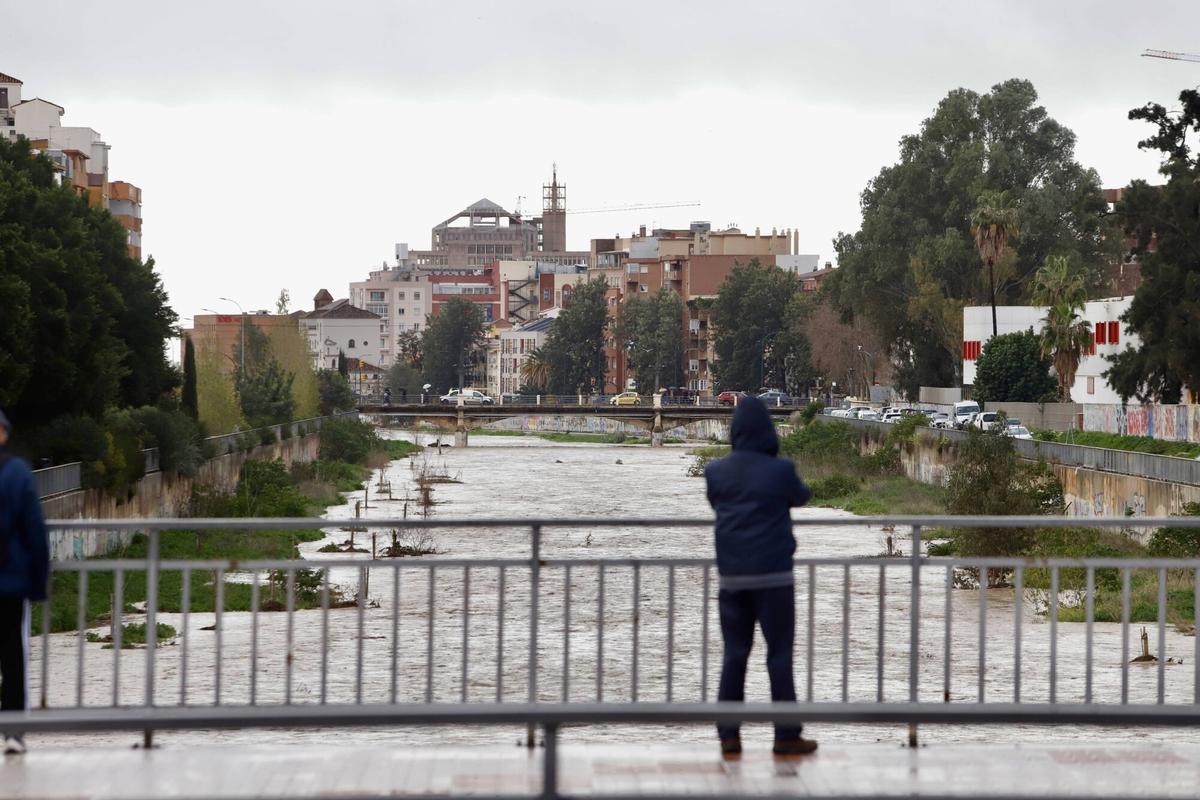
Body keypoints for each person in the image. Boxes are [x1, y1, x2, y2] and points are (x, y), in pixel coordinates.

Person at [703, 395, 816, 757]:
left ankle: (729, 736)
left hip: (732, 580)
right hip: (774, 580)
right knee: (778, 656)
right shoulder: (781, 471)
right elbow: (801, 496)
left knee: (734, 655)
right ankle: (786, 736)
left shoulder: (716, 472)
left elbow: (716, 503)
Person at [0, 409, 50, 755]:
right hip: (9, 583)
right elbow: (35, 531)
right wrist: (39, 582)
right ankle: (14, 731)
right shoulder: (17, 473)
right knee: (12, 656)